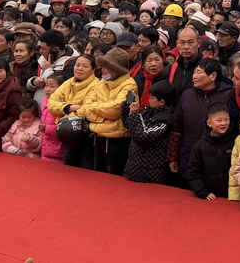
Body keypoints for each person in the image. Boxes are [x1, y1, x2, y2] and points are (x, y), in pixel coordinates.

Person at [78, 47, 137, 176]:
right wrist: (102, 117)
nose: (102, 70)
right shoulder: (101, 83)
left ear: (116, 68)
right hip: (98, 138)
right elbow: (84, 107)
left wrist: (94, 109)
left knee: (114, 179)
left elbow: (116, 109)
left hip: (117, 142)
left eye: (106, 67)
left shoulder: (130, 85)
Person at [47, 53, 98, 169]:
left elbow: (86, 108)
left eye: (85, 66)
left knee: (85, 172)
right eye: (77, 65)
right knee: (68, 170)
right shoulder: (68, 83)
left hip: (85, 135)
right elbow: (52, 103)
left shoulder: (97, 85)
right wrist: (70, 107)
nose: (79, 69)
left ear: (93, 69)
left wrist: (63, 107)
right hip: (66, 134)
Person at [121, 80, 175, 184]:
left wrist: (134, 116)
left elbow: (143, 136)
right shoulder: (148, 112)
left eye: (152, 98)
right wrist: (126, 107)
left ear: (162, 102)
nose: (149, 100)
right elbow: (130, 127)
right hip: (135, 169)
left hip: (151, 172)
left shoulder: (165, 120)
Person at [184, 103, 238, 200]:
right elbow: (193, 172)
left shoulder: (236, 142)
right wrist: (202, 192)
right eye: (219, 120)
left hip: (234, 196)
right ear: (209, 123)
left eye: (226, 119)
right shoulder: (199, 146)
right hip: (211, 198)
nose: (224, 123)